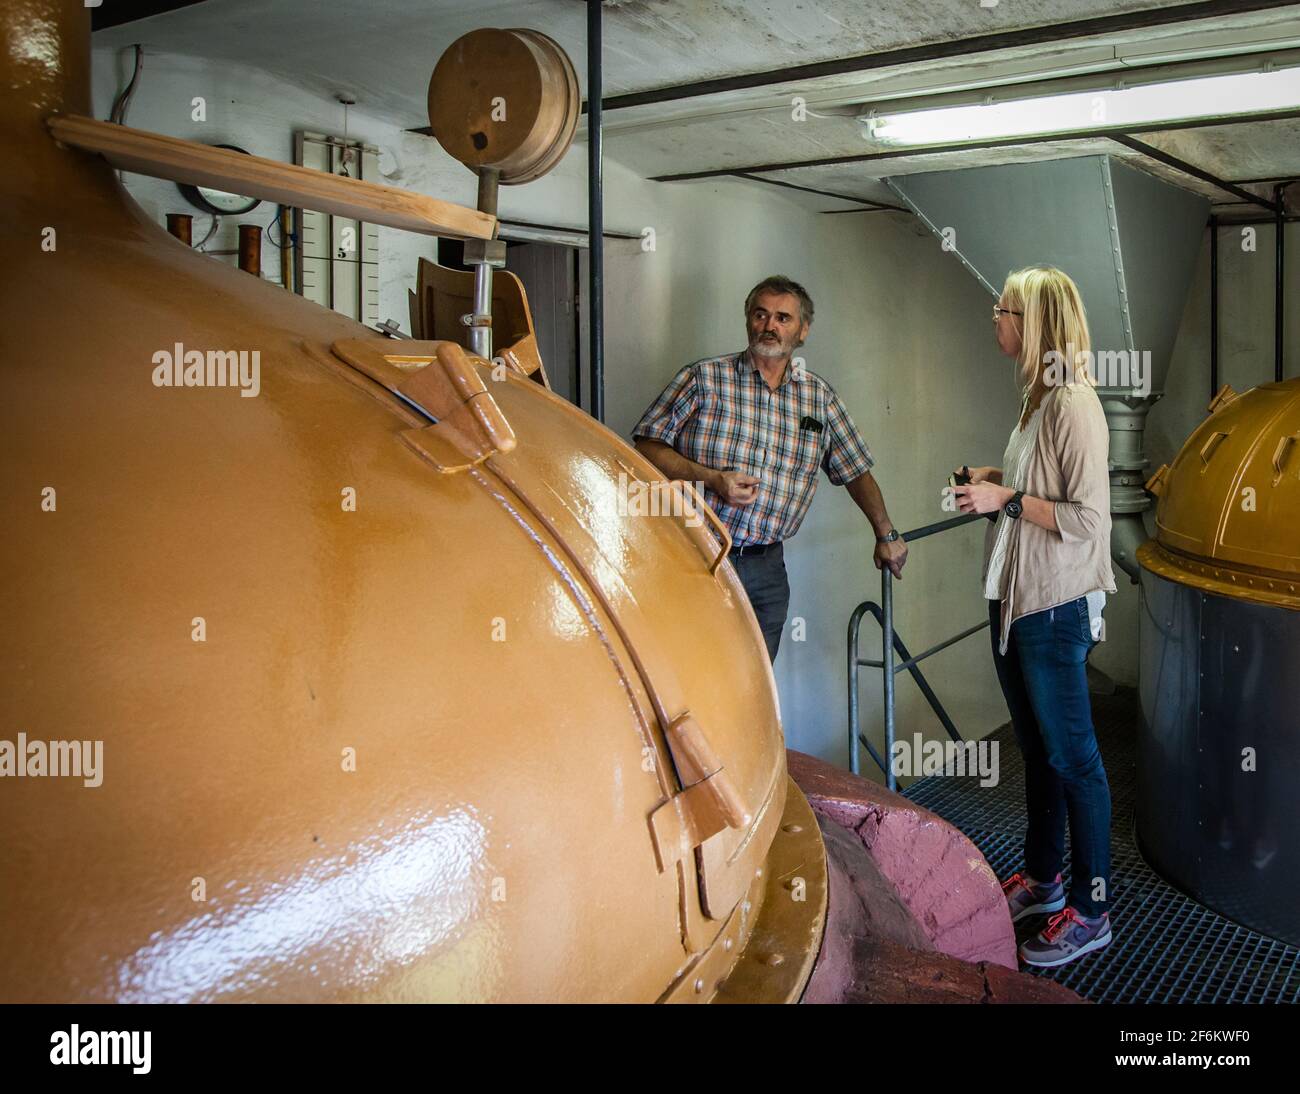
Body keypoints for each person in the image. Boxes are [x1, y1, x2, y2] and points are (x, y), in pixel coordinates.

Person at [953, 266, 1117, 968]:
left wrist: (1009, 503)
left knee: (1076, 760)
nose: (995, 318)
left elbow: (1088, 520)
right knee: (1041, 753)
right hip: (1016, 603)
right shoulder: (1035, 401)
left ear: (1035, 321)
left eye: (1003, 308)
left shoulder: (1074, 402)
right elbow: (1037, 488)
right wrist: (998, 482)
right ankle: (1046, 879)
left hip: (1052, 609)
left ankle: (1092, 909)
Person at [632, 275, 907, 662]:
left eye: (783, 318)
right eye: (761, 315)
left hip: (767, 570)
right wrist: (711, 478)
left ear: (803, 330)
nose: (770, 326)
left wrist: (886, 533)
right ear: (748, 320)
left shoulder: (819, 398)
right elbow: (646, 445)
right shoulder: (703, 379)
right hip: (695, 555)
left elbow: (856, 470)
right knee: (693, 672)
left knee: (756, 683)